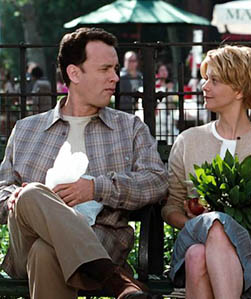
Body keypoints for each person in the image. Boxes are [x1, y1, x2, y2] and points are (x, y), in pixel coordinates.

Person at [0, 27, 168, 299]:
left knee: (45, 253)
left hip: (102, 241)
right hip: (26, 241)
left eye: (115, 69)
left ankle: (105, 272)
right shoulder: (27, 130)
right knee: (29, 195)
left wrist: (95, 188)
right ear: (74, 74)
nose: (115, 78)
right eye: (105, 69)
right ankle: (115, 280)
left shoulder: (129, 128)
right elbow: (1, 189)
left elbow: (157, 182)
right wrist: (15, 198)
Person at [161, 45, 251, 299]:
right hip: (193, 238)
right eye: (205, 79)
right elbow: (170, 207)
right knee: (215, 225)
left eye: (214, 80)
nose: (204, 86)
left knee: (198, 256)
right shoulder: (188, 140)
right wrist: (197, 223)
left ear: (239, 89)